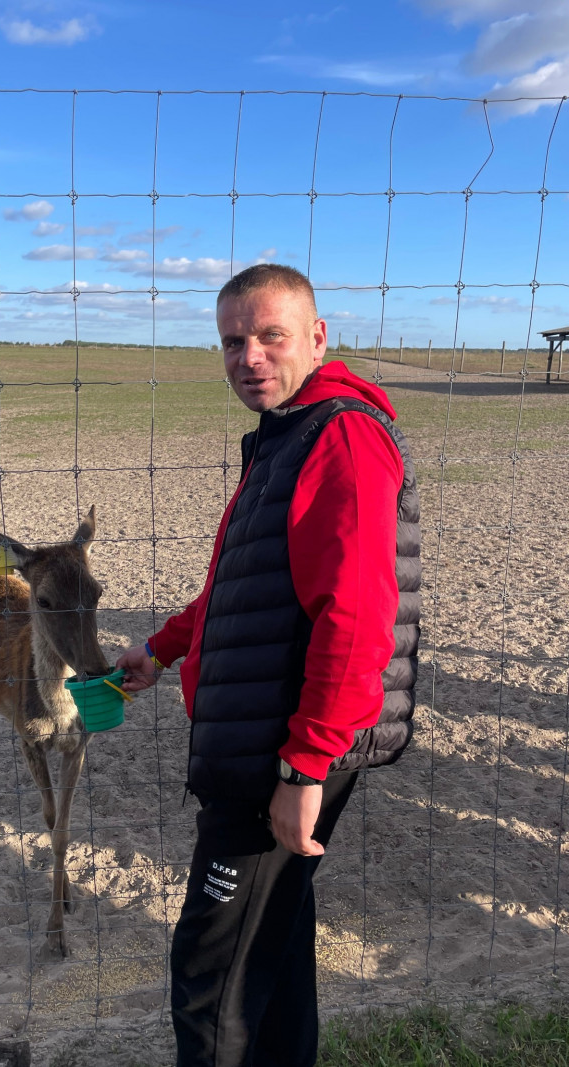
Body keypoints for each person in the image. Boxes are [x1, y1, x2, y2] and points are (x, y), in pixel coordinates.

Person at [116, 263, 421, 1067]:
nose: (248, 357)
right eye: (231, 340)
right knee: (273, 952)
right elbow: (245, 586)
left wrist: (304, 764)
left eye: (270, 336)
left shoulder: (340, 435)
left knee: (213, 974)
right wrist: (161, 649)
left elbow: (357, 618)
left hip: (276, 748)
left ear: (319, 337)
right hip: (265, 734)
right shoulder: (290, 432)